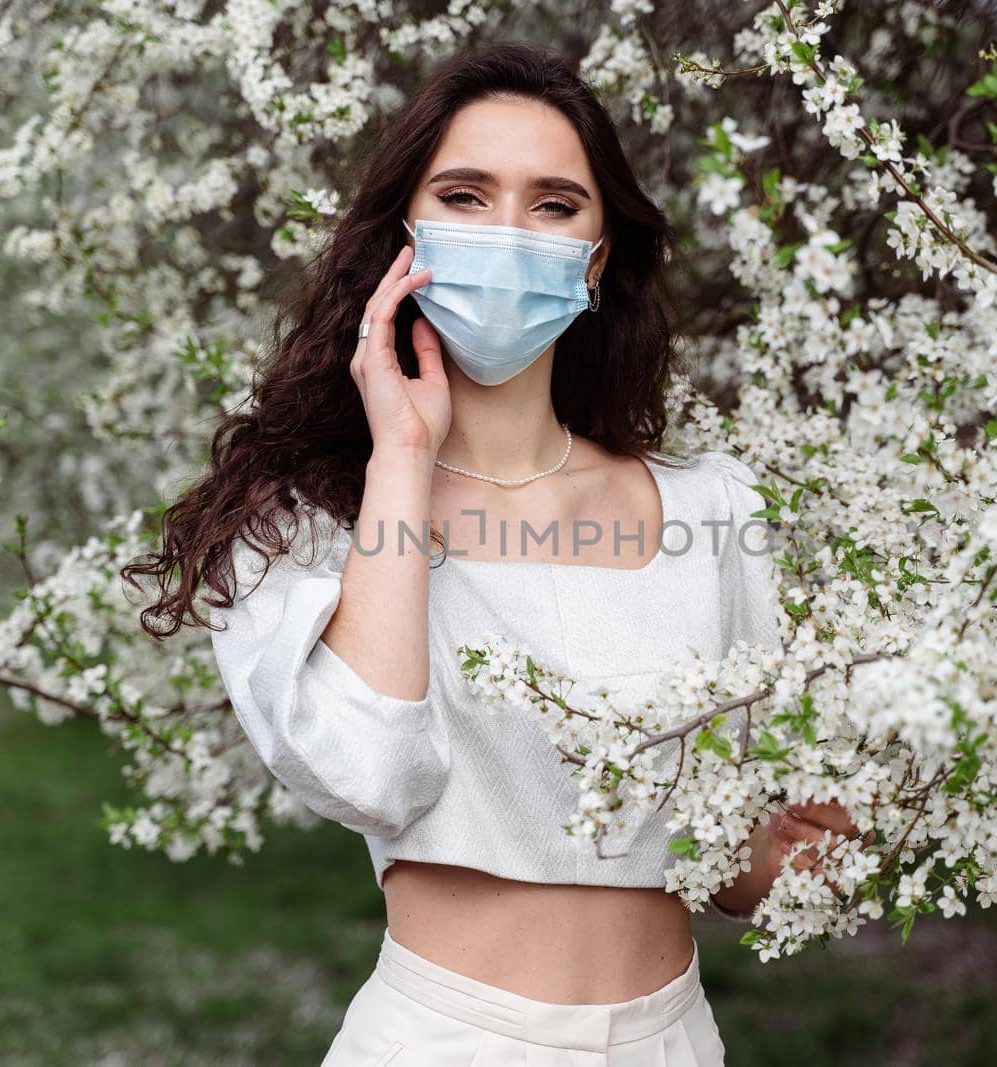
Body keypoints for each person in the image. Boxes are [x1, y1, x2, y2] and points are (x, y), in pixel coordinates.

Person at [138, 40, 859, 1066]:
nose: (508, 233)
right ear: (405, 235)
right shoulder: (306, 520)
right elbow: (369, 769)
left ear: (599, 256)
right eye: (467, 196)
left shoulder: (716, 508)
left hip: (672, 1039)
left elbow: (727, 849)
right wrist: (402, 451)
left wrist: (819, 856)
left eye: (555, 205)